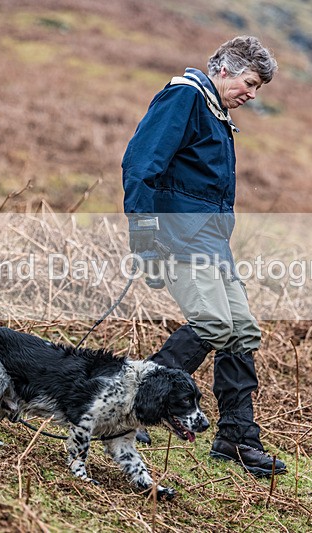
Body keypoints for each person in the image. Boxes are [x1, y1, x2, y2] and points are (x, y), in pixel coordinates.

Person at [122, 36, 286, 477]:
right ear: (225, 71)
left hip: (212, 242)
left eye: (257, 88)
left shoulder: (215, 110)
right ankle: (129, 402)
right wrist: (143, 235)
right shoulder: (185, 97)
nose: (251, 94)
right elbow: (140, 164)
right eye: (249, 83)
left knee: (241, 333)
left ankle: (236, 437)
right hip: (180, 236)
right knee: (214, 323)